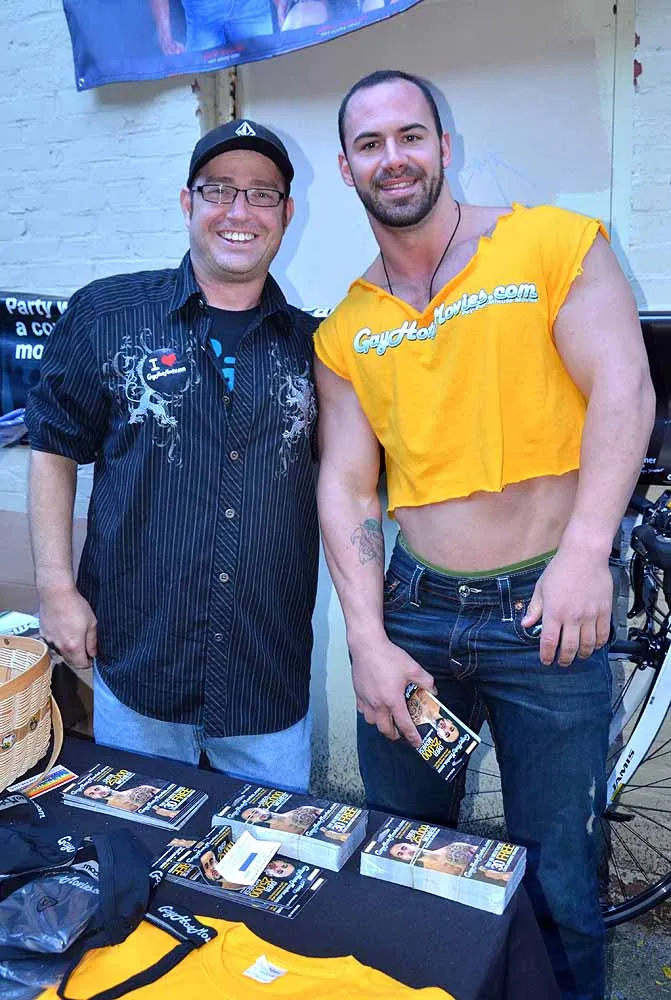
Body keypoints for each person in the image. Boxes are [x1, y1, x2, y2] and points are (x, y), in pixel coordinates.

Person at [314, 69, 655, 1000]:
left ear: (442, 144)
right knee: (406, 861)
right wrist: (366, 639)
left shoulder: (551, 242)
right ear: (346, 168)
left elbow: (623, 390)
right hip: (415, 614)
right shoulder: (347, 325)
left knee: (557, 886)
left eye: (409, 136)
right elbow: (347, 484)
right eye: (370, 144)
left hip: (549, 612)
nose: (393, 158)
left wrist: (585, 554)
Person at [27, 119, 319, 793]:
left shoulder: (317, 349)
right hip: (140, 665)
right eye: (219, 190)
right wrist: (56, 590)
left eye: (262, 194)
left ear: (286, 214)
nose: (239, 211)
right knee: (136, 846)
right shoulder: (106, 316)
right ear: (188, 202)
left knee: (271, 855)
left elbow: (351, 484)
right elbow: (52, 447)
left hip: (265, 677)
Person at [150, 0, 275, 54]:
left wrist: (281, 5)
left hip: (251, 7)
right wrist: (165, 36)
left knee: (265, 69)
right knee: (201, 81)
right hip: (203, 11)